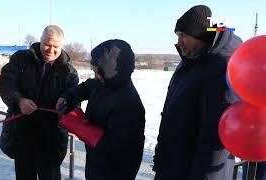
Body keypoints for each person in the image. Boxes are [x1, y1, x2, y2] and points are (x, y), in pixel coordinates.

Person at [152, 5, 243, 180]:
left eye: (183, 35)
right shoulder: (190, 61)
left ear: (200, 35)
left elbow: (215, 140)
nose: (179, 42)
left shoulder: (219, 70)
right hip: (174, 167)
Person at [0, 25, 79, 180]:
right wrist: (19, 100)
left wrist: (66, 102)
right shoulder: (20, 59)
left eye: (56, 46)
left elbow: (75, 99)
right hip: (22, 135)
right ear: (40, 40)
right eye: (47, 44)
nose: (51, 50)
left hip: (51, 140)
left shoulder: (69, 72)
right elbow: (5, 83)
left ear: (61, 45)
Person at [56, 39, 145, 180]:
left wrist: (77, 123)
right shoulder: (104, 83)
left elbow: (114, 148)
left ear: (111, 70)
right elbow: (86, 87)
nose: (95, 76)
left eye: (98, 72)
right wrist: (68, 97)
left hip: (115, 172)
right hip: (96, 165)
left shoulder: (128, 103)